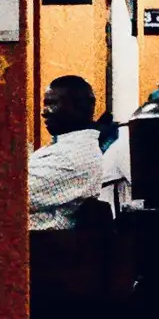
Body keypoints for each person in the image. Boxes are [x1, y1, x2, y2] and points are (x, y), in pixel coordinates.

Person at [29, 74, 108, 229]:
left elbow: (10, 195)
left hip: (38, 241)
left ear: (78, 107)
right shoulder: (65, 148)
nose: (44, 112)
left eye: (52, 103)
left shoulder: (75, 156)